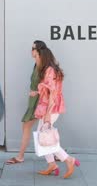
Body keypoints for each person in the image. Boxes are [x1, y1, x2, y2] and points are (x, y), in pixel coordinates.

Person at [32, 40, 80, 179]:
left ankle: (68, 160)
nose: (31, 51)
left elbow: (53, 94)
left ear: (40, 53)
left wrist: (47, 114)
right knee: (43, 136)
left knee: (45, 138)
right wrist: (37, 92)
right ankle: (52, 164)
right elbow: (49, 90)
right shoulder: (47, 69)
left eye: (33, 49)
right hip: (48, 108)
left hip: (50, 109)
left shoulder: (49, 70)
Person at [5, 42, 44, 165]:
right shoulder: (36, 64)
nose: (31, 50)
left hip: (39, 102)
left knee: (28, 126)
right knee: (43, 128)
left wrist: (36, 92)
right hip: (34, 102)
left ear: (38, 51)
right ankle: (56, 153)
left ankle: (20, 156)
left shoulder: (43, 66)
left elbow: (48, 87)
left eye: (33, 48)